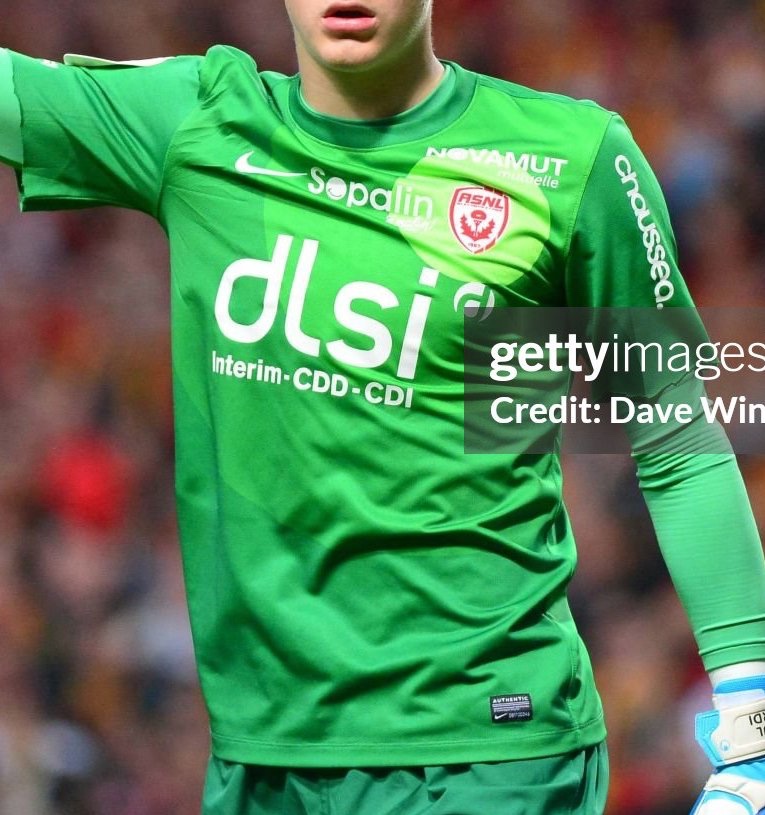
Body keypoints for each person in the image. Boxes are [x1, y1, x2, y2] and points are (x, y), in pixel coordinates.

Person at [1, 2, 765, 813]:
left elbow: (678, 440)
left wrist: (752, 731)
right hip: (263, 759)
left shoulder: (569, 158)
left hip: (491, 751)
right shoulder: (198, 122)